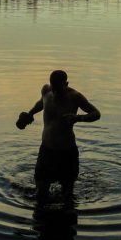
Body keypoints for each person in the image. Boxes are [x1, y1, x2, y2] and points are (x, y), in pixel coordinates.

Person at [16, 70, 100, 202]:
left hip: (67, 152)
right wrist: (30, 113)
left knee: (67, 194)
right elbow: (41, 103)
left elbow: (96, 113)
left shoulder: (75, 97)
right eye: (53, 88)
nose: (55, 92)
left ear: (66, 84)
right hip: (46, 150)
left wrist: (78, 118)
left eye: (58, 89)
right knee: (40, 193)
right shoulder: (46, 91)